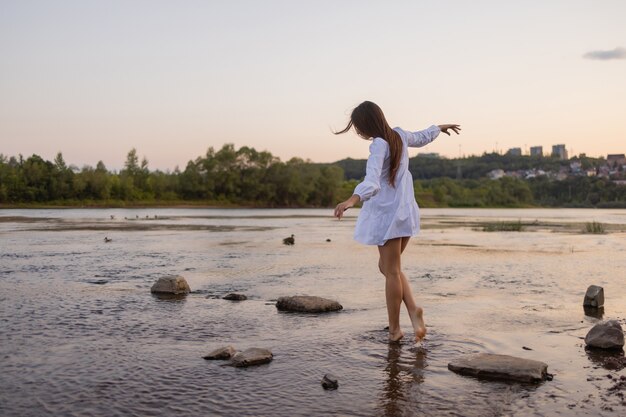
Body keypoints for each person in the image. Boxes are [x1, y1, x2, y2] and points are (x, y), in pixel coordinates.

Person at [334, 101, 461, 343]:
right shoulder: (399, 136)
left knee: (391, 271)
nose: (359, 132)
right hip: (405, 214)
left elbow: (372, 182)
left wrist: (351, 200)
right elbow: (421, 137)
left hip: (388, 216)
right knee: (388, 268)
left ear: (367, 124)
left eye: (359, 127)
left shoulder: (378, 146)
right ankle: (413, 309)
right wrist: (439, 128)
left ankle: (395, 330)